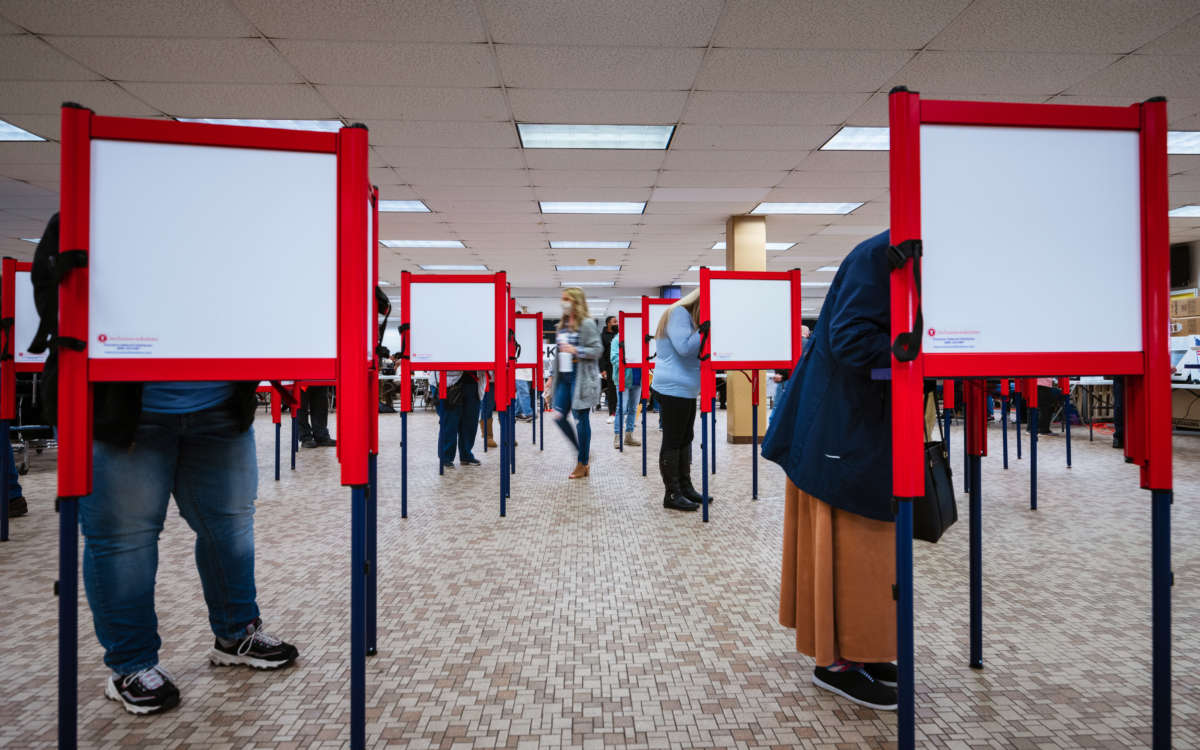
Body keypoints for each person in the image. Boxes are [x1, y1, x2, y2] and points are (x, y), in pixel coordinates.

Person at [83, 382, 300, 714]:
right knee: (126, 540)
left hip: (219, 402)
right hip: (124, 403)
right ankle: (131, 664)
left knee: (230, 525)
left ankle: (236, 633)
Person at [762, 230, 898, 711]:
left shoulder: (893, 253)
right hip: (840, 428)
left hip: (862, 423)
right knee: (849, 544)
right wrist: (919, 347)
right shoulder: (882, 254)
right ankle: (836, 661)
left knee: (871, 547)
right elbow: (850, 338)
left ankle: (863, 646)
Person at [649, 289, 709, 512]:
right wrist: (703, 332)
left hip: (685, 389)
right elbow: (684, 348)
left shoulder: (685, 316)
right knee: (674, 440)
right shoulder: (679, 313)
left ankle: (685, 488)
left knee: (685, 438)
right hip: (673, 387)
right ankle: (672, 494)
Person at [547, 288, 601, 479]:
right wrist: (552, 375)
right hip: (564, 375)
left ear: (576, 301)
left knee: (580, 418)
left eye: (567, 299)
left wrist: (576, 350)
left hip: (581, 376)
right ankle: (582, 451)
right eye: (562, 299)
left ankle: (582, 462)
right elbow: (559, 353)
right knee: (558, 416)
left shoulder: (586, 324)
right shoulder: (562, 325)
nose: (564, 302)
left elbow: (597, 349)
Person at [433, 371, 483, 469]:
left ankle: (466, 455)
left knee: (470, 423)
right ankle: (446, 457)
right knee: (450, 422)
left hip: (472, 381)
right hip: (449, 381)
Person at [608, 326, 641, 449]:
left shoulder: (639, 339)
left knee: (633, 408)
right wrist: (626, 359)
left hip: (638, 379)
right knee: (621, 408)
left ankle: (629, 436)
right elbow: (614, 358)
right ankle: (617, 436)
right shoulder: (617, 340)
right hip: (624, 378)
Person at [600, 315, 618, 423]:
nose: (617, 324)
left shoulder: (620, 334)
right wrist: (603, 369)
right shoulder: (602, 336)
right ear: (608, 324)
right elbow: (600, 354)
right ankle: (612, 413)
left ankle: (622, 413)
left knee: (621, 389)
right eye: (614, 322)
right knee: (611, 391)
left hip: (620, 366)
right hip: (609, 367)